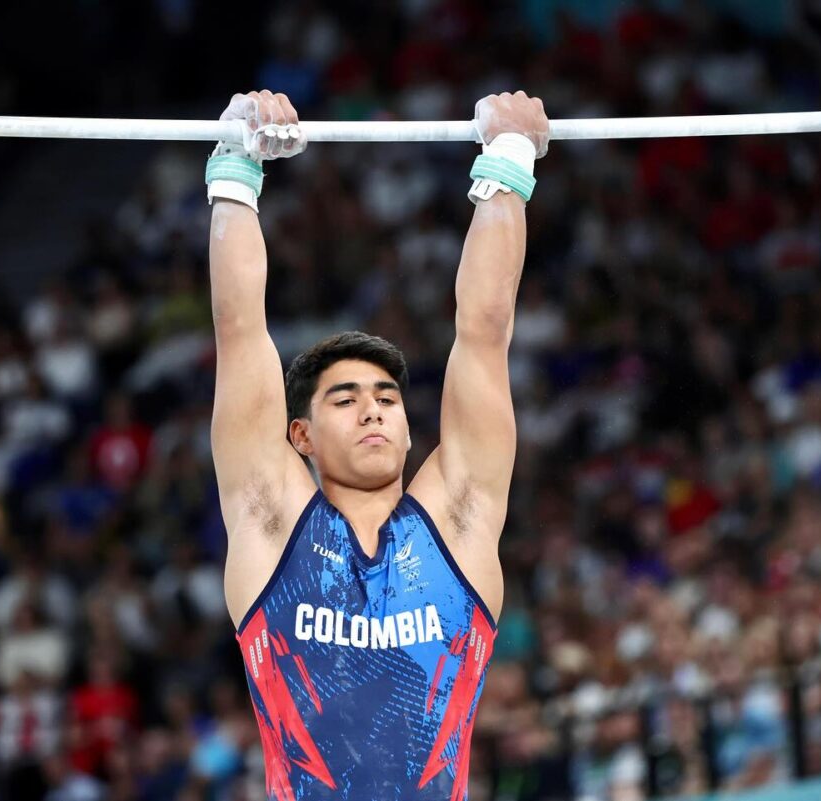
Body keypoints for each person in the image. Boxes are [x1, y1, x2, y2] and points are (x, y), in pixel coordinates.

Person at [207, 88, 548, 799]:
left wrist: (509, 164)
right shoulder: (271, 521)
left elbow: (484, 333)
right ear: (299, 433)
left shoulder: (458, 519)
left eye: (388, 398)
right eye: (346, 397)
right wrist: (236, 168)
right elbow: (240, 333)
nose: (374, 411)